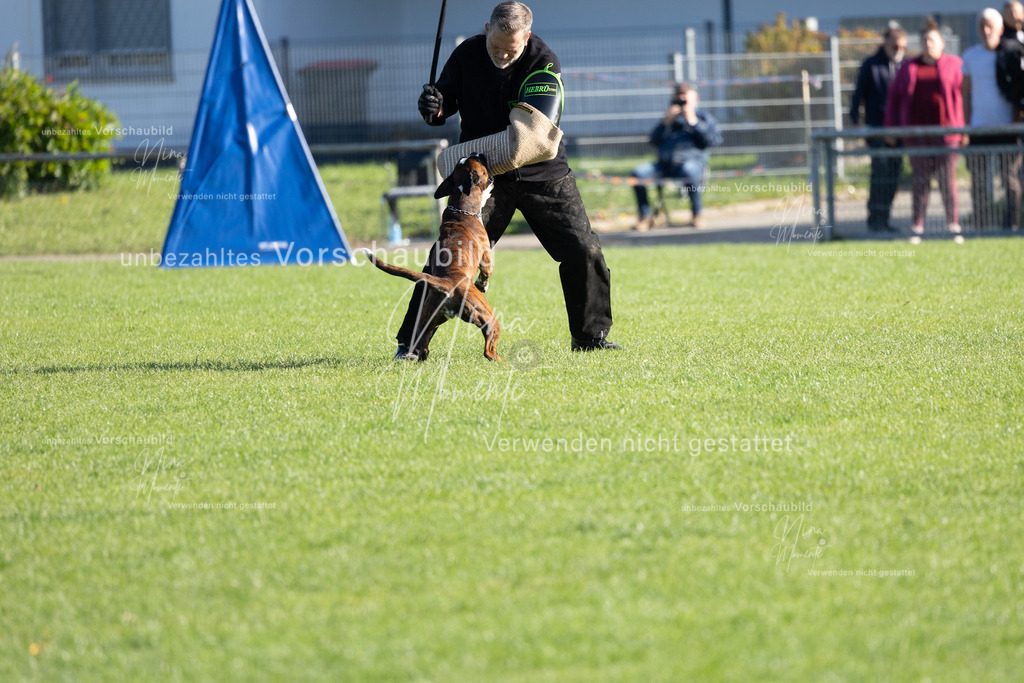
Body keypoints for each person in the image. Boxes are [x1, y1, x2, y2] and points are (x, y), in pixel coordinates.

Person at [402, 1, 619, 358]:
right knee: (448, 259)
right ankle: (410, 344)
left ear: (527, 37)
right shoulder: (467, 54)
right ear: (487, 29)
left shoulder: (543, 62)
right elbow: (445, 104)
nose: (502, 55)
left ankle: (590, 337)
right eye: (496, 46)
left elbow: (529, 141)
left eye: (511, 49)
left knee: (583, 250)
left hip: (543, 175)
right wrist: (434, 107)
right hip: (481, 181)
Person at [884, 19, 965, 235]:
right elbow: (894, 98)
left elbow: (964, 97)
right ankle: (917, 226)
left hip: (947, 136)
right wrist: (891, 128)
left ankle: (953, 225)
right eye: (924, 40)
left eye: (931, 40)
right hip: (917, 136)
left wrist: (964, 129)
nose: (927, 44)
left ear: (941, 43)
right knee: (920, 182)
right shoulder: (909, 67)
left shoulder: (955, 65)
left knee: (947, 182)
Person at [631, 83, 722, 231]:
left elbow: (713, 141)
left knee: (689, 170)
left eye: (685, 98)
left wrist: (692, 120)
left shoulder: (703, 118)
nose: (681, 102)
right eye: (678, 98)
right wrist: (665, 123)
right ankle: (645, 217)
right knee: (638, 174)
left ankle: (697, 214)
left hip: (691, 164)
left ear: (696, 98)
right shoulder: (670, 120)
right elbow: (653, 141)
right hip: (665, 165)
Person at [962, 8, 1021, 229]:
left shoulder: (1013, 53)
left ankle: (1011, 226)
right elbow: (965, 93)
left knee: (1009, 180)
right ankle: (981, 224)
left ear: (1000, 29)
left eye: (991, 26)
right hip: (979, 129)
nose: (986, 31)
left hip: (1007, 129)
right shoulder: (970, 56)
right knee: (978, 181)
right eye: (982, 26)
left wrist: (1016, 121)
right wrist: (967, 126)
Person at [850, 26, 908, 232]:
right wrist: (855, 120)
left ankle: (884, 218)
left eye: (903, 46)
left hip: (900, 130)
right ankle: (875, 219)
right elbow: (858, 94)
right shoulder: (872, 65)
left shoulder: (905, 66)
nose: (899, 49)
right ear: (885, 43)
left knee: (893, 175)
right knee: (880, 173)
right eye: (895, 45)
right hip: (877, 128)